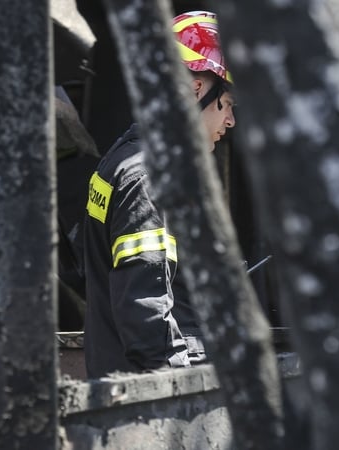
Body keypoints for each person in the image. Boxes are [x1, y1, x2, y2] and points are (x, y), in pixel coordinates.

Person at [82, 10, 236, 378]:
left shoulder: (123, 161)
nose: (230, 121)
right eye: (228, 103)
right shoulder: (148, 175)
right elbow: (145, 311)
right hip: (155, 404)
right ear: (196, 88)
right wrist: (180, 392)